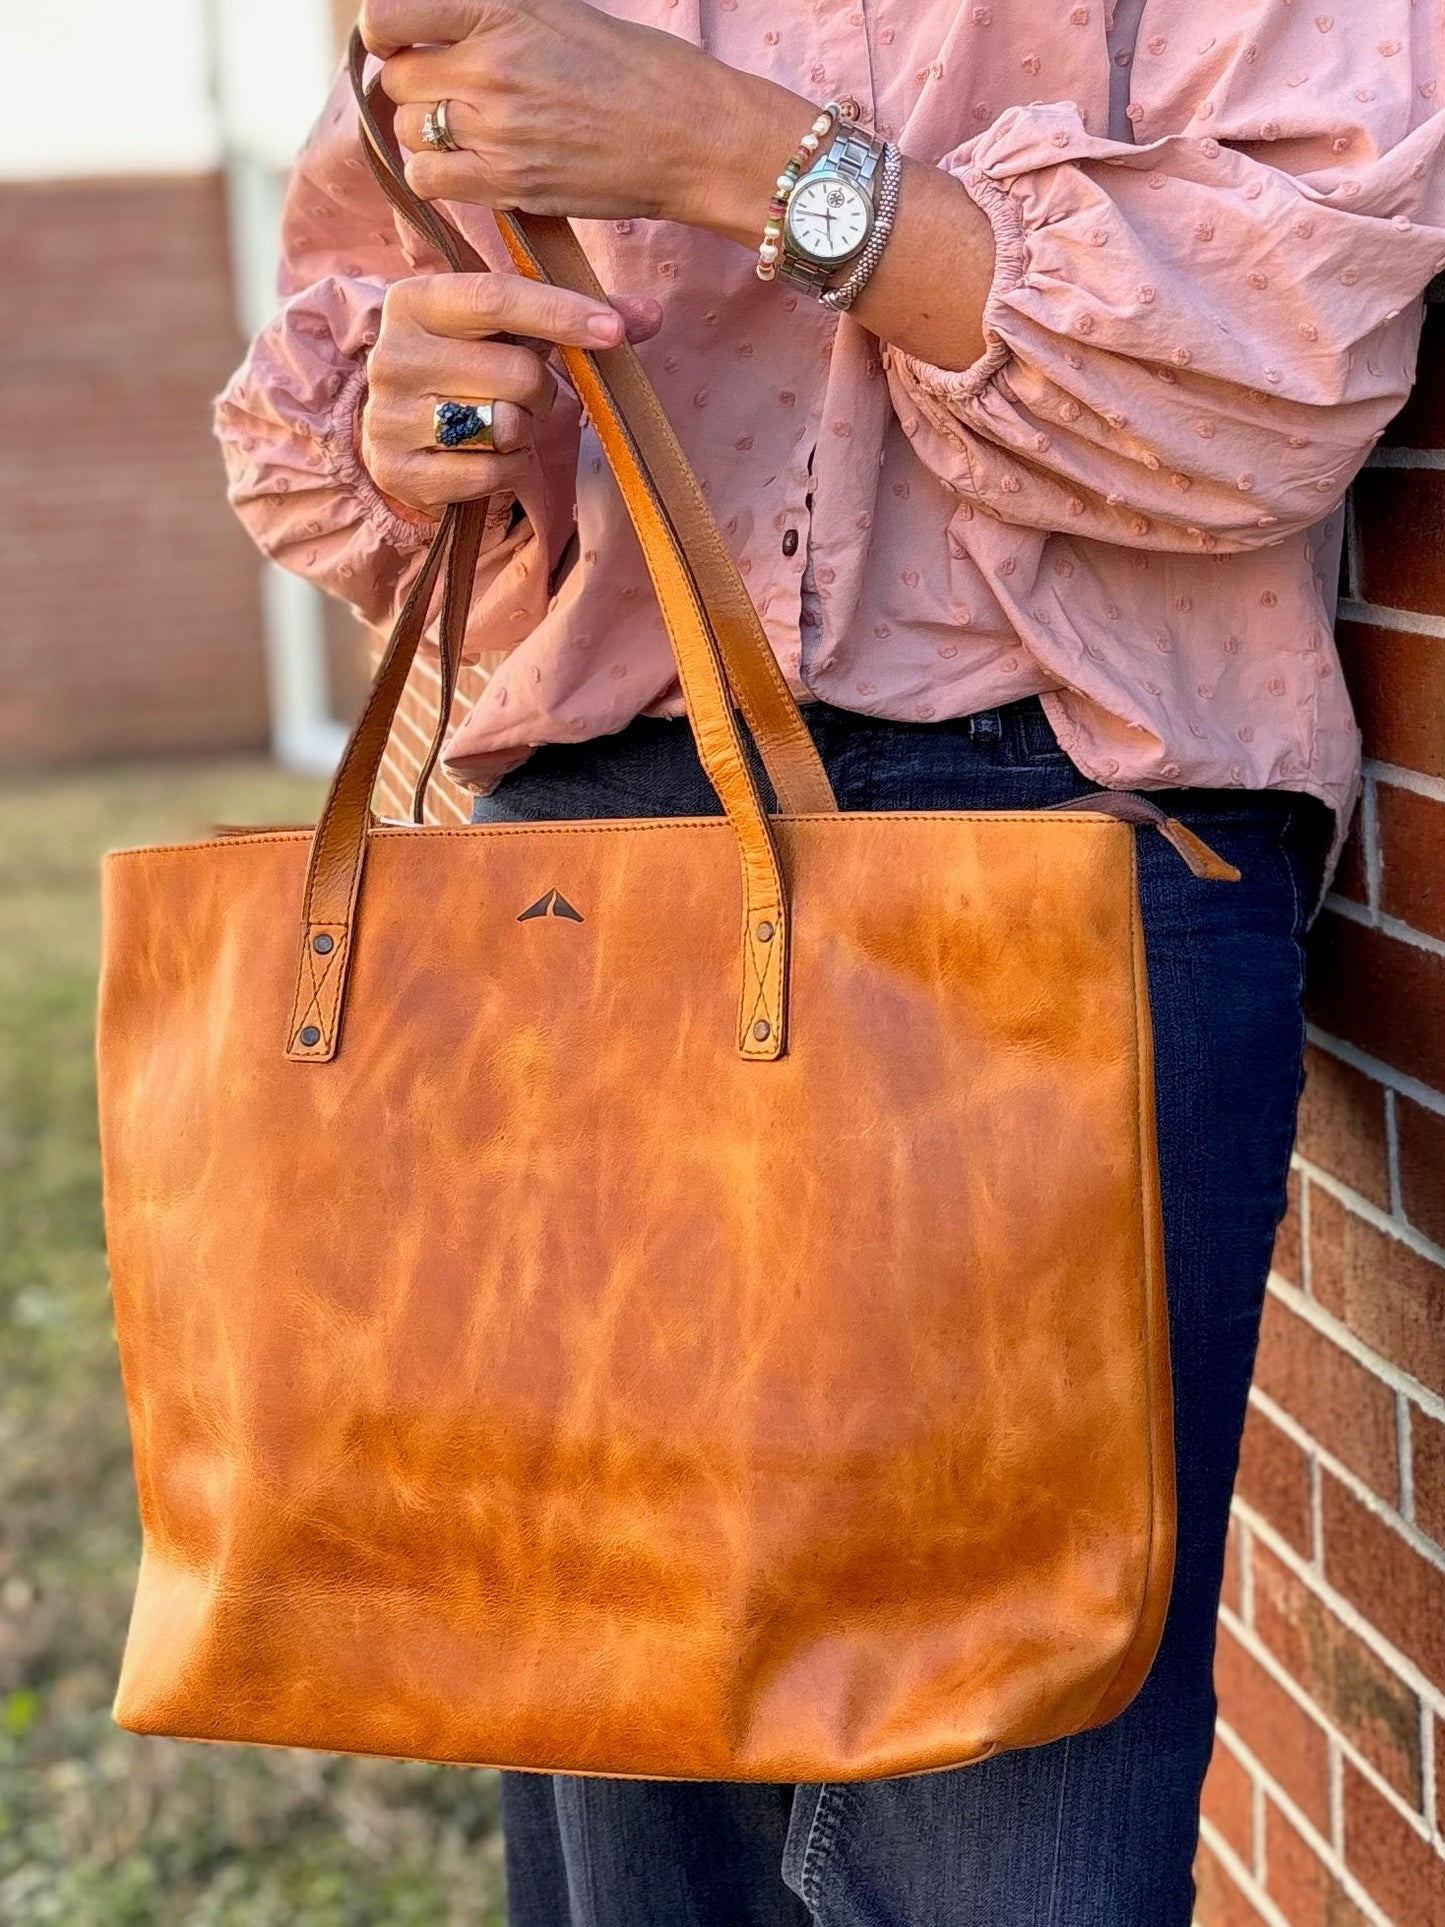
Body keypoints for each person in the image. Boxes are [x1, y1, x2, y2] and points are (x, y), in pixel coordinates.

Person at [216, 2, 1445, 1919]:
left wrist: (738, 156)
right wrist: (427, 413)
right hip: (577, 865)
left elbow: (1269, 380)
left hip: (1039, 852)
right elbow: (359, 409)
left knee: (1005, 1827)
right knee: (630, 1794)